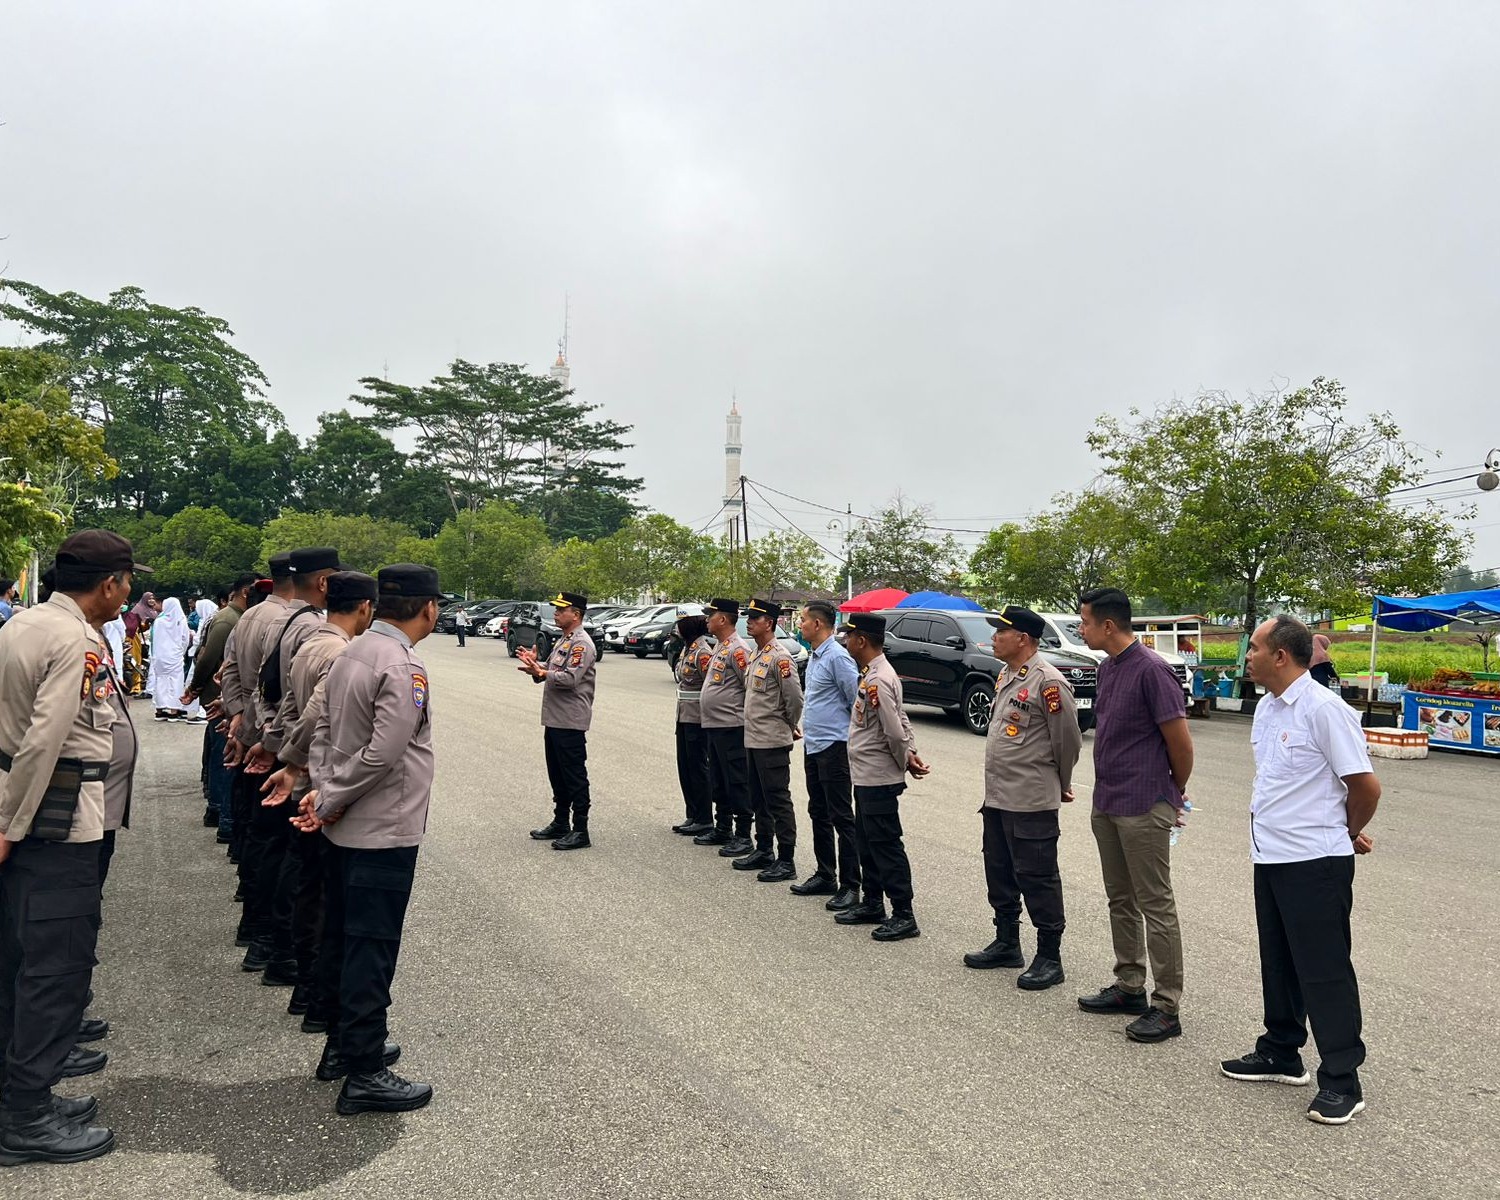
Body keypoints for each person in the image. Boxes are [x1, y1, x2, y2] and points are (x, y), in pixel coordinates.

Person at [0, 529, 147, 1165]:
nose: (128, 591)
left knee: (17, 961)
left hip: (28, 810)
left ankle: (21, 1092)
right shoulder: (76, 640)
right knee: (57, 967)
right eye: (127, 580)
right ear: (111, 583)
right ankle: (25, 1114)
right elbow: (44, 740)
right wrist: (10, 826)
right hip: (53, 822)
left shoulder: (25, 623)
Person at [1221, 615, 1380, 1126]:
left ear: (1281, 656)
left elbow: (1365, 787)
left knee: (1324, 969)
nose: (1247, 656)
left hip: (1315, 861)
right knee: (1280, 960)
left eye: (1254, 648)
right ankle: (1281, 1051)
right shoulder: (1268, 708)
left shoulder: (1325, 710)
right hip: (1271, 855)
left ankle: (1342, 1079)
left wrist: (1343, 830)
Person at [296, 563, 442, 1116]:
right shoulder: (402, 664)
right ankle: (365, 1070)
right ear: (429, 609)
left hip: (345, 824)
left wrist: (323, 789)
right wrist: (330, 798)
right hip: (382, 826)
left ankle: (343, 1044)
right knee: (372, 946)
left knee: (342, 935)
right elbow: (385, 753)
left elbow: (325, 733)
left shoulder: (352, 651)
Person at [259, 571, 378, 1028]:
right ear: (365, 608)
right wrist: (291, 763)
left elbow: (286, 704)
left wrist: (274, 745)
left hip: (306, 772)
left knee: (306, 879)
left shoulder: (308, 641)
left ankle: (302, 979)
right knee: (320, 891)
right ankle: (311, 989)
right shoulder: (340, 651)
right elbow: (313, 714)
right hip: (317, 778)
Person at [1075, 587, 1193, 1044]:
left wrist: (1172, 794)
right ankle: (1129, 985)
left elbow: (1181, 745)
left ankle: (1167, 1005)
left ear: (1108, 625)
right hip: (1108, 800)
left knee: (1155, 902)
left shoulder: (1152, 670)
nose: (1080, 629)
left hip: (1144, 804)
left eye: (1084, 622)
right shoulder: (1108, 668)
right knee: (1119, 898)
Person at [963, 606, 1082, 991]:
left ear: (1024, 640)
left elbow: (1068, 740)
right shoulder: (1007, 674)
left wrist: (1060, 782)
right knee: (998, 870)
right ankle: (1007, 941)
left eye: (1002, 632)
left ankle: (1049, 956)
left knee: (1038, 876)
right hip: (998, 795)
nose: (995, 637)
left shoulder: (1048, 682)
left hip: (1031, 797)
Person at [243, 548, 344, 986]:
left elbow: (264, 689)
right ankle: (282, 953)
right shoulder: (315, 629)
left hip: (280, 748)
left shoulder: (285, 621)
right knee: (299, 868)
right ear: (324, 583)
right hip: (300, 761)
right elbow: (307, 707)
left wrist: (261, 735)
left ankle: (264, 937)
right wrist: (287, 756)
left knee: (274, 852)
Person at [219, 554, 296, 967]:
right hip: (274, 744)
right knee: (277, 844)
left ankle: (252, 920)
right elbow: (279, 695)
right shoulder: (290, 623)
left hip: (250, 731)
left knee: (253, 831)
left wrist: (236, 717)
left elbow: (230, 672)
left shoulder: (247, 617)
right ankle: (267, 936)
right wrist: (271, 740)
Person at [836, 613, 929, 942]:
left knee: (886, 845)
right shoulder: (872, 674)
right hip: (866, 775)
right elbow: (900, 717)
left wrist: (906, 758)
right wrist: (911, 750)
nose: (845, 641)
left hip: (878, 777)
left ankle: (904, 913)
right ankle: (873, 902)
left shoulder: (878, 679)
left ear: (861, 640)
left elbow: (892, 729)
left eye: (848, 636)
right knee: (866, 841)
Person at [791, 600, 861, 910]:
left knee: (841, 817)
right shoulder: (817, 657)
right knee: (818, 812)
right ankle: (825, 874)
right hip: (814, 745)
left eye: (803, 619)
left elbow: (855, 703)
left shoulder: (838, 658)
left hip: (834, 748)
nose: (800, 624)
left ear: (817, 624)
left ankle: (851, 885)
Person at [520, 593, 598, 851]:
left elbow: (569, 678)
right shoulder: (564, 641)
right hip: (555, 718)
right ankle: (561, 821)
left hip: (570, 720)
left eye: (561, 609)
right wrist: (536, 665)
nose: (555, 613)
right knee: (557, 773)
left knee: (574, 775)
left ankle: (581, 829)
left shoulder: (581, 644)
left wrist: (542, 672)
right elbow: (553, 670)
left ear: (575, 614)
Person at [734, 598, 804, 883]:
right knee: (758, 797)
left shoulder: (780, 657)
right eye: (748, 618)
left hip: (772, 739)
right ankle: (764, 849)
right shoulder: (756, 654)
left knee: (777, 799)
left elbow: (795, 700)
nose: (749, 622)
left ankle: (786, 859)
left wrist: (788, 725)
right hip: (753, 738)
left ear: (769, 624)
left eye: (754, 618)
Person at [187, 575, 255, 841]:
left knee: (218, 752)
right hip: (223, 696)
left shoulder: (234, 617)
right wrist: (196, 686)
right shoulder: (229, 620)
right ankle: (221, 813)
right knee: (223, 754)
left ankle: (217, 808)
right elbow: (208, 657)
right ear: (245, 593)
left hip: (222, 695)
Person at [694, 599, 754, 855]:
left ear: (724, 619)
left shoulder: (738, 650)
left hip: (731, 725)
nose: (707, 620)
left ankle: (742, 835)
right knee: (718, 779)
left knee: (736, 780)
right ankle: (723, 827)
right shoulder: (720, 647)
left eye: (711, 615)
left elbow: (748, 686)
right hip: (715, 725)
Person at [669, 614, 715, 837]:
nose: (677, 628)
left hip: (697, 718)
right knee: (685, 766)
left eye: (681, 624)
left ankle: (705, 818)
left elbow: (710, 686)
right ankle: (693, 813)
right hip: (684, 715)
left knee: (698, 768)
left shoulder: (703, 652)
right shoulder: (688, 649)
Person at [147, 598, 193, 721]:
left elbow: (153, 639)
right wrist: (181, 652)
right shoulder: (181, 620)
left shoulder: (159, 621)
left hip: (160, 656)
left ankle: (159, 710)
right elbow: (185, 639)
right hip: (174, 656)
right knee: (175, 681)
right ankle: (174, 711)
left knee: (160, 681)